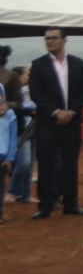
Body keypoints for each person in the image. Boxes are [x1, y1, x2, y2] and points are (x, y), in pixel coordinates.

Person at [30, 27, 83, 219]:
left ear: (64, 40)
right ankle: (45, 205)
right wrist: (56, 112)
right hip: (47, 123)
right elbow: (36, 93)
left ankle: (71, 204)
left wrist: (71, 112)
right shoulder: (38, 65)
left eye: (54, 38)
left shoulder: (78, 64)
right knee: (46, 165)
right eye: (47, 38)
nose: (49, 41)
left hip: (71, 123)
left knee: (70, 165)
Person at [7, 66, 37, 204]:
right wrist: (33, 109)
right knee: (24, 162)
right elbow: (19, 107)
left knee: (30, 163)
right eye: (27, 74)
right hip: (20, 129)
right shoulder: (13, 92)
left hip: (34, 128)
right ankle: (13, 191)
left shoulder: (31, 89)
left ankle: (25, 195)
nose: (29, 77)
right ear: (19, 77)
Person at [0, 80, 17, 223]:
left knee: (1, 186)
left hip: (3, 157)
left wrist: (10, 157)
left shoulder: (10, 114)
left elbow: (13, 138)